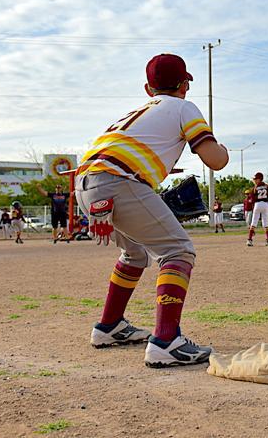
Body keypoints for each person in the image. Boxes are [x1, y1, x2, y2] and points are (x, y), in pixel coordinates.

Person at [75, 53, 229, 368]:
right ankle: (166, 341)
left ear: (149, 89)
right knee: (177, 250)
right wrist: (224, 151)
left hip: (84, 185)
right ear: (185, 84)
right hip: (118, 182)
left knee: (135, 254)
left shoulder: (137, 112)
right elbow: (215, 159)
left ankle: (109, 326)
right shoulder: (184, 107)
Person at [246, 172, 268, 247]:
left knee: (253, 223)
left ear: (259, 179)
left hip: (258, 204)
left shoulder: (254, 188)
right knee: (265, 223)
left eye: (255, 179)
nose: (254, 180)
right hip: (265, 204)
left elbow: (252, 199)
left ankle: (249, 240)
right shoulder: (267, 186)